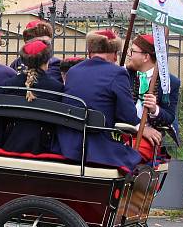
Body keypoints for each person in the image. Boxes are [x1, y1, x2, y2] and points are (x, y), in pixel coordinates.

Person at [55, 29, 145, 173]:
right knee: (138, 158)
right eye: (117, 54)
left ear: (90, 52)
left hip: (67, 144)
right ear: (114, 53)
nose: (116, 59)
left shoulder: (73, 72)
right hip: (97, 147)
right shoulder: (118, 73)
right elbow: (128, 117)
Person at [0, 39, 64, 154]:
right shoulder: (57, 88)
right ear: (47, 59)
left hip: (12, 144)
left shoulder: (9, 84)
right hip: (44, 147)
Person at [125, 33, 181, 161]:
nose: (129, 54)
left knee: (132, 155)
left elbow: (169, 117)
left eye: (132, 51)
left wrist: (155, 109)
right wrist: (139, 128)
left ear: (145, 57)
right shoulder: (123, 75)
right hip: (122, 133)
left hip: (147, 140)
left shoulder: (170, 82)